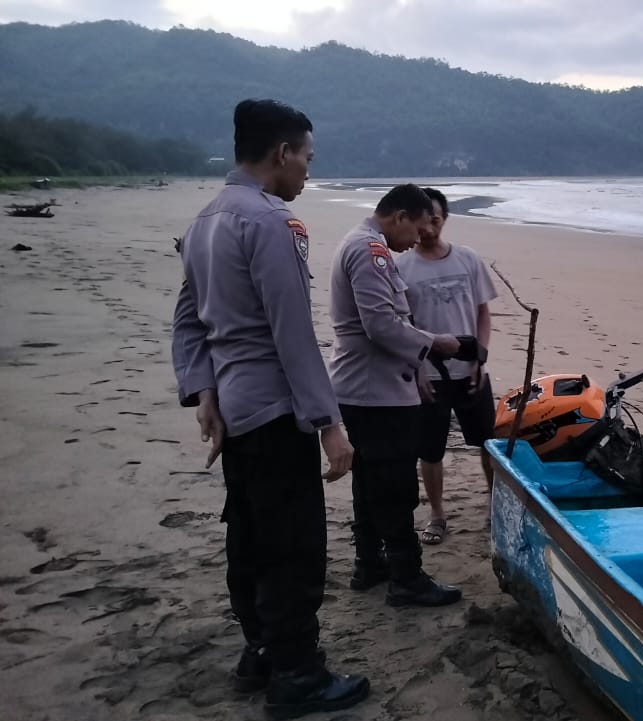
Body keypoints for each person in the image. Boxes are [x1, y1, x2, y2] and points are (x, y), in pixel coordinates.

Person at [170, 98, 369, 718]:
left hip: (233, 409)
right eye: (307, 156)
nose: (309, 169)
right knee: (293, 545)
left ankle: (259, 649)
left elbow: (187, 321)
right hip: (276, 410)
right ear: (281, 153)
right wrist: (329, 422)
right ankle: (298, 675)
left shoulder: (205, 220)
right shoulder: (269, 222)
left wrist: (204, 389)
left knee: (250, 535)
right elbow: (292, 334)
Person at [328, 184, 466, 606]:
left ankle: (370, 564)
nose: (417, 239)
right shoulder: (370, 251)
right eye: (418, 227)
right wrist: (433, 342)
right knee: (394, 486)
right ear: (400, 216)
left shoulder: (362, 244)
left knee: (370, 483)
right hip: (377, 392)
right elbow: (382, 325)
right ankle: (406, 577)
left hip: (372, 385)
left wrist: (416, 363)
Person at [395, 187, 498, 545]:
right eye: (424, 220)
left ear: (444, 218)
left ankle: (495, 504)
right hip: (429, 375)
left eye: (435, 218)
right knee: (430, 448)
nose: (428, 227)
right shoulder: (401, 266)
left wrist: (480, 359)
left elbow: (483, 313)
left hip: (471, 372)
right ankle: (437, 515)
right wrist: (417, 367)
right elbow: (401, 323)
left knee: (489, 443)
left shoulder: (468, 259)